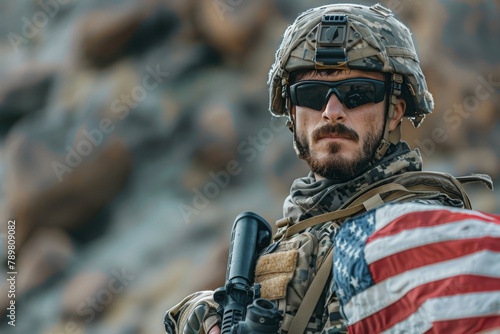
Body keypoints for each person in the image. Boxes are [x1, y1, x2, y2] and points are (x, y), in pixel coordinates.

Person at [164, 3, 497, 333]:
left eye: (356, 94)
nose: (332, 111)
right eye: (312, 94)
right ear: (293, 113)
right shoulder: (290, 236)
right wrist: (206, 315)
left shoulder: (415, 234)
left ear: (395, 112)